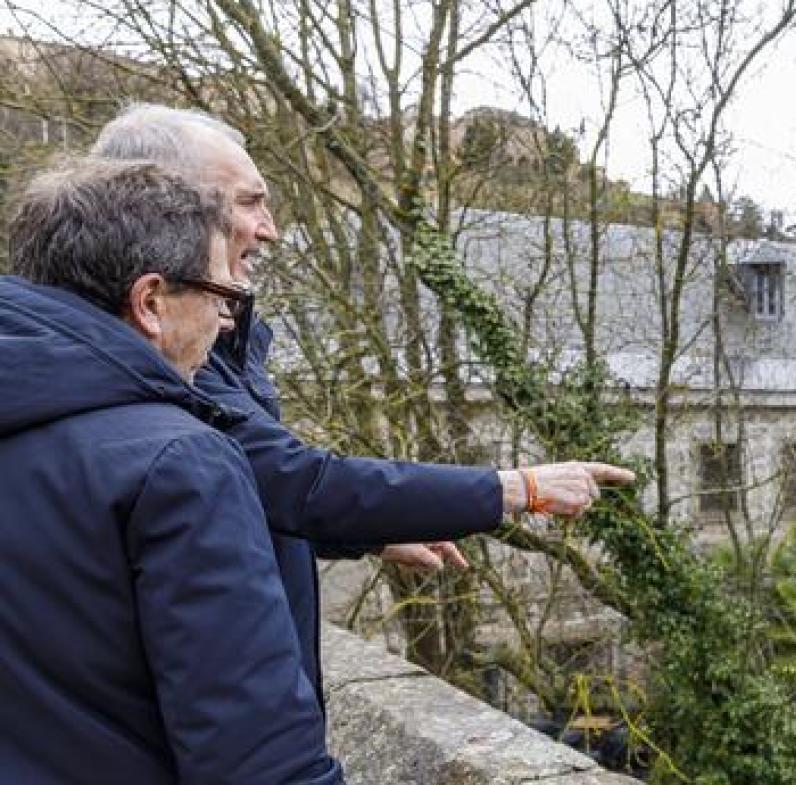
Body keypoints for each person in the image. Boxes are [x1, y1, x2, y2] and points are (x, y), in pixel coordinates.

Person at [91, 104, 635, 699]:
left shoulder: (202, 342)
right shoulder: (166, 356)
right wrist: (517, 488)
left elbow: (249, 494)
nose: (271, 229)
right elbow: (294, 482)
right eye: (249, 203)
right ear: (168, 207)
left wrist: (368, 535)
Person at [0, 158, 401, 785]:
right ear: (150, 302)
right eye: (222, 298)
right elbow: (251, 754)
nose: (226, 323)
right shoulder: (178, 463)